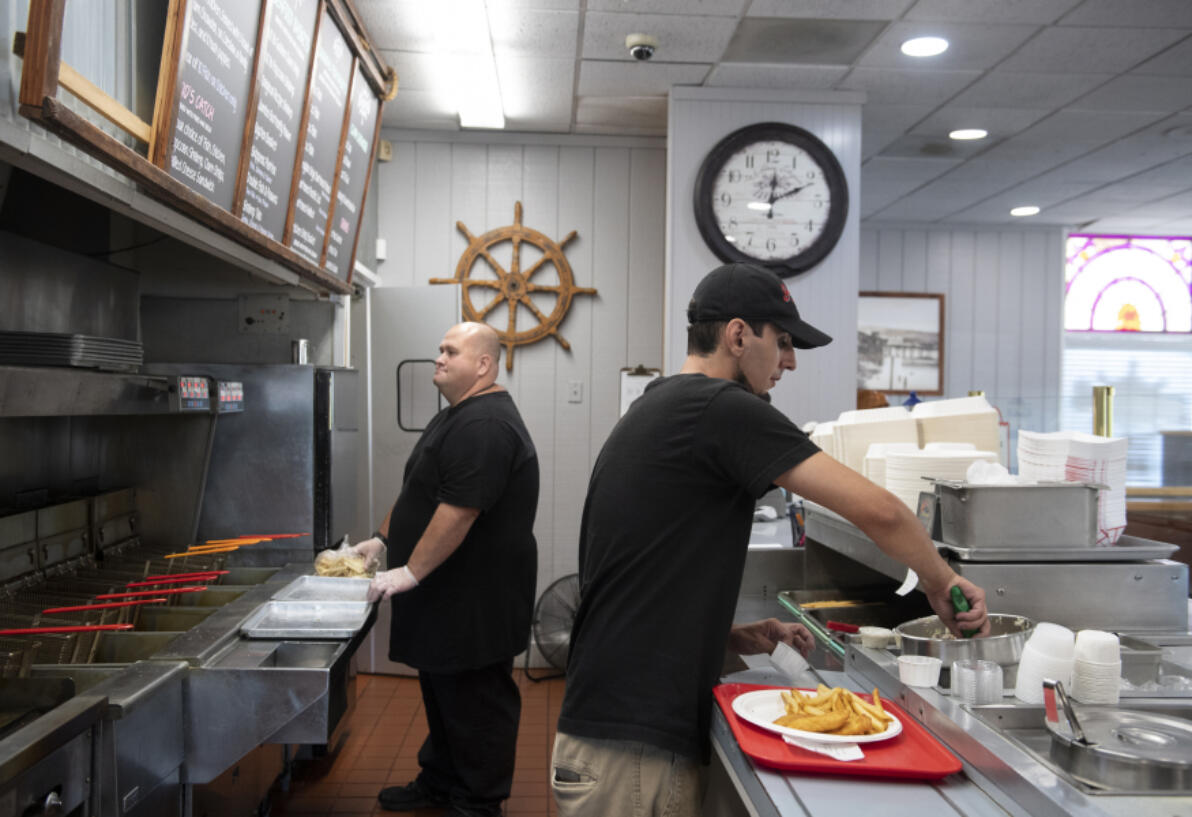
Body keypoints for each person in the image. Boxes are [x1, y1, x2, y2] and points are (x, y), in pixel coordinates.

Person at [551, 262, 990, 816]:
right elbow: (879, 511)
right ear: (737, 336)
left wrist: (731, 636)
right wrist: (942, 582)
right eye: (781, 341)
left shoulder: (662, 404)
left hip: (612, 725)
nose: (790, 360)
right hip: (632, 746)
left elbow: (635, 580)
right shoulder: (721, 408)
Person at [350, 321, 539, 817]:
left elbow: (459, 513)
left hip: (476, 601)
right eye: (439, 349)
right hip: (447, 598)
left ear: (483, 364)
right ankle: (440, 781)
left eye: (450, 351)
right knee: (443, 695)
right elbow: (420, 490)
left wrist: (409, 572)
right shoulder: (456, 415)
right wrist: (383, 539)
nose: (438, 357)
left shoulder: (487, 426)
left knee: (477, 704)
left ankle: (478, 801)